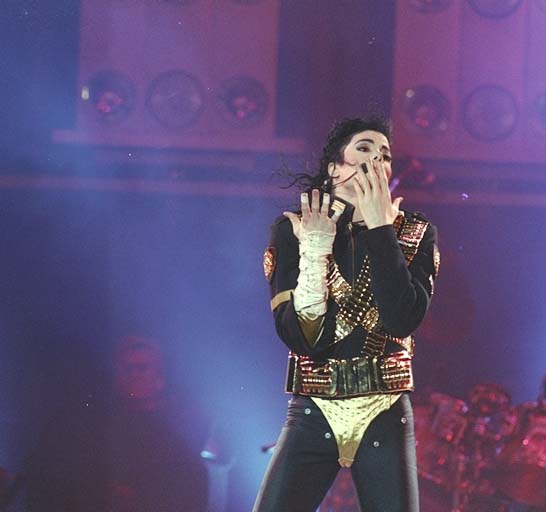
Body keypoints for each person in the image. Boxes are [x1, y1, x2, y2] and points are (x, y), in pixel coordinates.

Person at [253, 117, 439, 512]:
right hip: (314, 409)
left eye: (385, 155)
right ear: (334, 168)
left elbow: (401, 319)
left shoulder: (415, 233)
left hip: (384, 409)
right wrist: (315, 249)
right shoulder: (295, 229)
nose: (376, 160)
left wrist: (380, 228)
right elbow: (302, 339)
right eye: (365, 149)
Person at [25, 335, 208, 512]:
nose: (132, 375)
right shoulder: (96, 426)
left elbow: (186, 487)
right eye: (125, 368)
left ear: (161, 377)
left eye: (141, 368)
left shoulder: (179, 431)